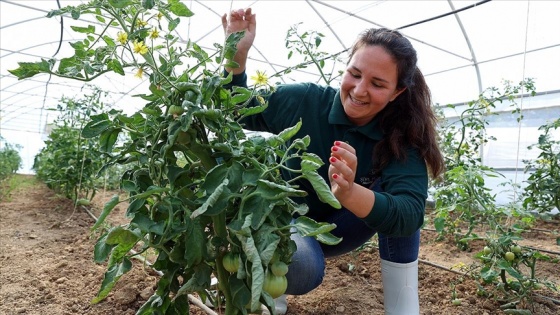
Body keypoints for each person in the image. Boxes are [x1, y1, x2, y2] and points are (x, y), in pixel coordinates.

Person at [221, 8, 445, 315]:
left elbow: (409, 215)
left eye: (378, 84)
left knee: (401, 201)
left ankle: (403, 308)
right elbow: (235, 110)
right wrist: (236, 53)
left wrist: (350, 192)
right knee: (300, 267)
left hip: (344, 227)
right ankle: (270, 295)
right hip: (288, 223)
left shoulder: (399, 137)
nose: (359, 90)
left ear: (397, 92)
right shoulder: (304, 101)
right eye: (354, 74)